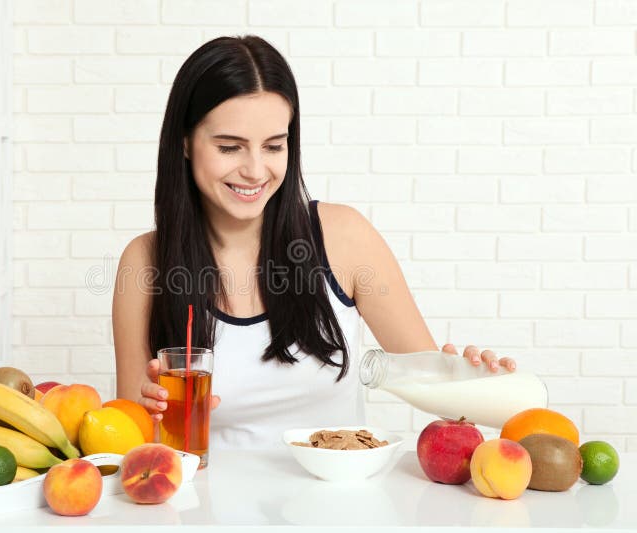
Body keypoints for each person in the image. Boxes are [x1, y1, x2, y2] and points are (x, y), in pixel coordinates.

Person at [113, 35, 516, 450]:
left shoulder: (344, 237)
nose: (255, 170)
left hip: (339, 507)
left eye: (274, 146)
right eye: (229, 147)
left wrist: (477, 383)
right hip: (205, 508)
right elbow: (134, 441)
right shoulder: (145, 264)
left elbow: (432, 382)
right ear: (184, 141)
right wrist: (150, 414)